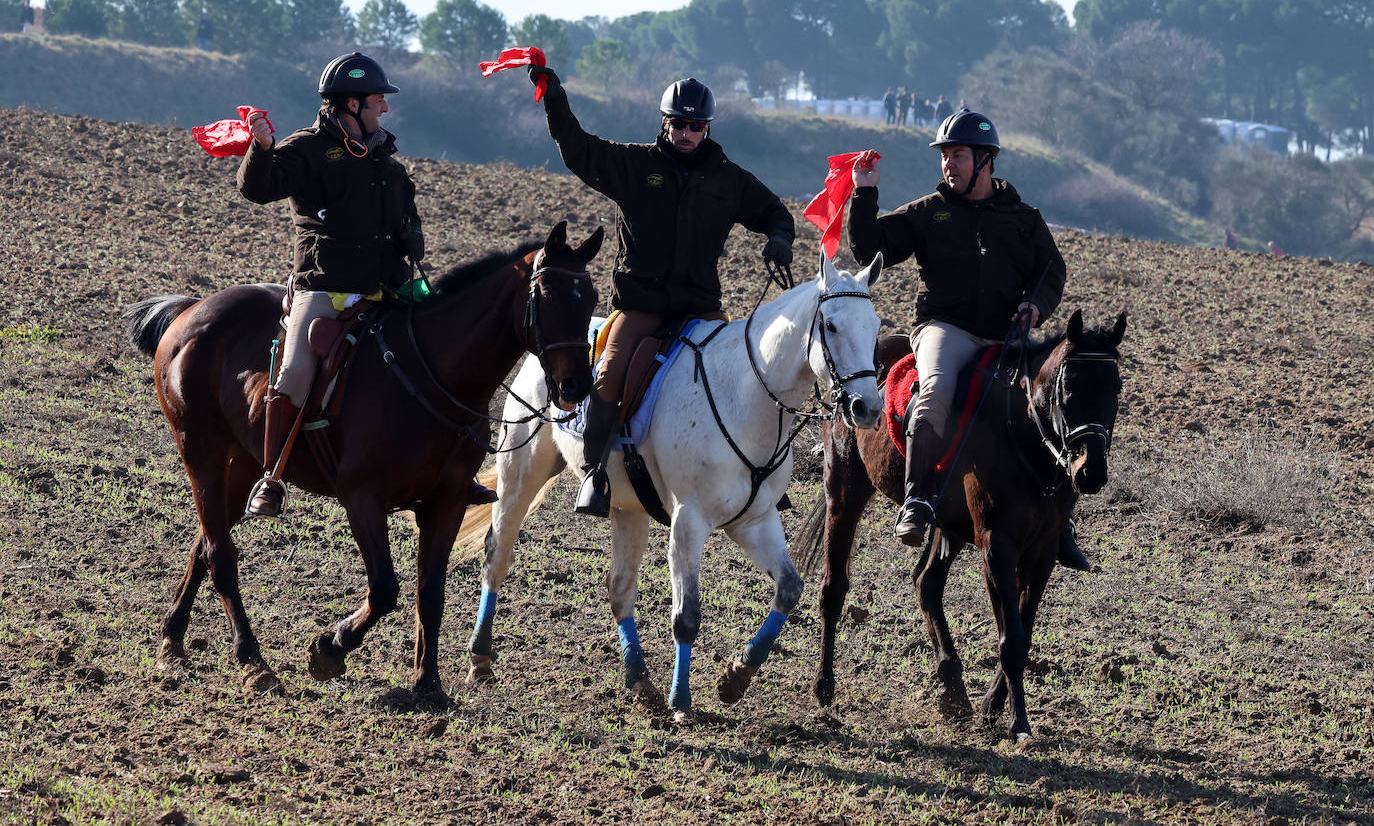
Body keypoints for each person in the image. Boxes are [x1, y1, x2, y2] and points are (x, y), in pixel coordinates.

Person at [526, 63, 796, 517]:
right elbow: (577, 148)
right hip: (642, 307)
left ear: (706, 128)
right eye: (679, 124)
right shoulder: (633, 166)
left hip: (702, 311)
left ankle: (759, 471)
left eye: (696, 126)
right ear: (664, 123)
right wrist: (554, 96)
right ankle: (595, 474)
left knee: (746, 377)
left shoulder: (730, 180)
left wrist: (780, 240)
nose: (687, 133)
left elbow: (775, 212)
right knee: (609, 377)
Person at [236, 51, 495, 518]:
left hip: (389, 291)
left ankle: (456, 468)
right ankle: (271, 476)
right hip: (326, 289)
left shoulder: (389, 165)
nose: (386, 108)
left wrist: (412, 236)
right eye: (379, 100)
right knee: (294, 374)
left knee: (444, 353)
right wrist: (262, 148)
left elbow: (404, 219)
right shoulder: (307, 148)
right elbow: (257, 188)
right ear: (350, 104)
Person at [846, 108, 1089, 571]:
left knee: (1045, 403)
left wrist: (1035, 305)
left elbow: (1051, 270)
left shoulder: (1023, 218)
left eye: (957, 155)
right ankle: (916, 501)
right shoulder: (927, 212)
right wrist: (865, 191)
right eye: (945, 156)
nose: (947, 164)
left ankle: (1061, 523)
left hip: (1006, 334)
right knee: (934, 389)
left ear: (985, 160)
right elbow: (870, 247)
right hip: (945, 328)